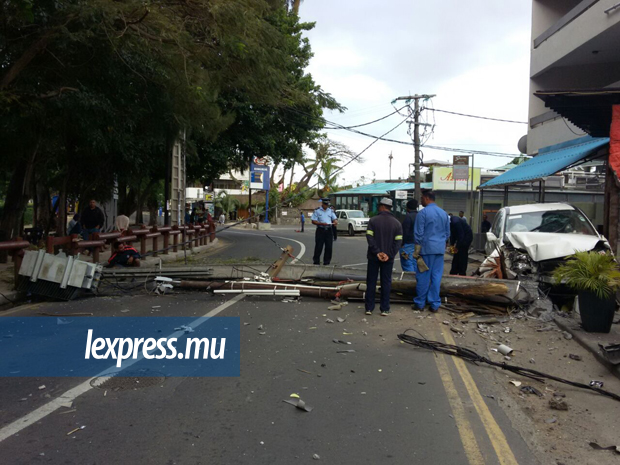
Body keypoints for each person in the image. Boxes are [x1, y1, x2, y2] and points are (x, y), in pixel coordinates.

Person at [365, 198, 403, 316]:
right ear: (390, 208)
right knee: (386, 282)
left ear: (382, 206)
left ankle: (369, 308)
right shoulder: (397, 223)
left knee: (371, 281)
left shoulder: (373, 220)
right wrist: (389, 255)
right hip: (388, 259)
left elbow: (369, 238)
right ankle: (385, 308)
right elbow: (398, 242)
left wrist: (377, 252)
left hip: (373, 257)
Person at [413, 191, 450, 312]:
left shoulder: (422, 213)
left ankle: (420, 303)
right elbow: (447, 233)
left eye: (422, 198)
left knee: (423, 276)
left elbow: (419, 233)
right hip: (439, 249)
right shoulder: (444, 213)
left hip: (426, 249)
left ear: (427, 198)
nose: (421, 201)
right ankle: (434, 304)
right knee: (436, 277)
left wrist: (417, 250)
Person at [311, 198, 338, 265]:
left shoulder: (330, 211)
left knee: (329, 246)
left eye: (327, 204)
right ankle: (316, 261)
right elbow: (313, 221)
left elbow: (334, 218)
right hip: (320, 230)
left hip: (329, 230)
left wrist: (335, 222)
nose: (326, 206)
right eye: (325, 204)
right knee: (319, 246)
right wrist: (321, 223)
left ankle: (326, 262)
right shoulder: (317, 211)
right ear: (322, 203)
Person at [399, 199, 418, 272]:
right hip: (417, 244)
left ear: (407, 208)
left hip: (408, 244)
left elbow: (405, 232)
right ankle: (415, 277)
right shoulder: (420, 216)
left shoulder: (408, 217)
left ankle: (409, 277)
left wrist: (402, 243)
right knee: (415, 262)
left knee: (407, 262)